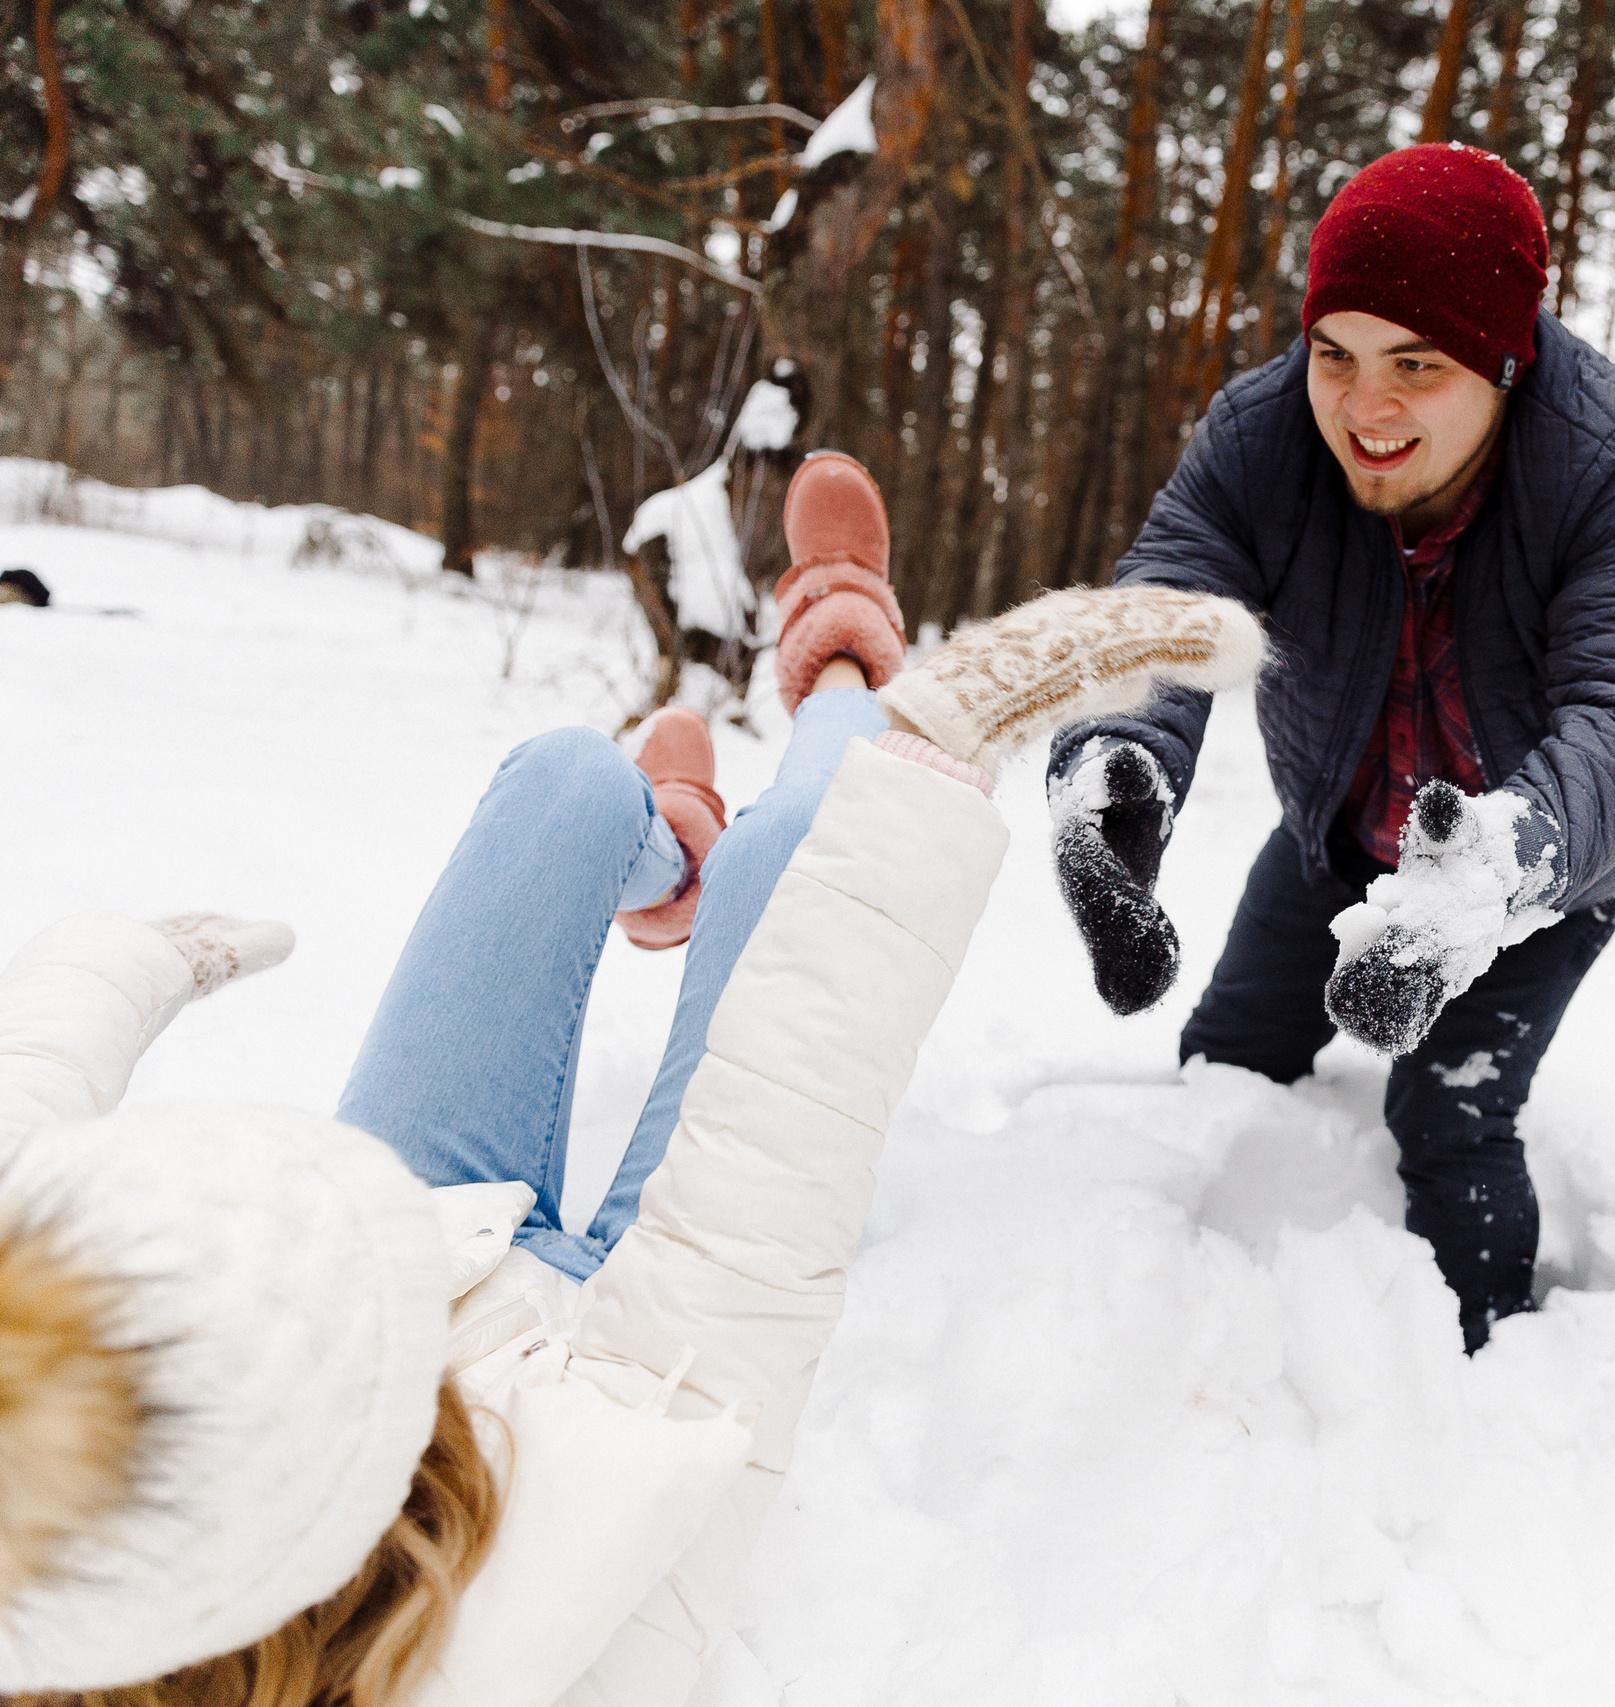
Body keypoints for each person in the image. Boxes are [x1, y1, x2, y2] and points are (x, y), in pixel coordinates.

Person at [0, 449, 1263, 1706]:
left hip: (406, 1245)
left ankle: (667, 847)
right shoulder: (544, 1616)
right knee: (801, 857)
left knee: (565, 781)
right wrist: (937, 744)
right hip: (604, 1335)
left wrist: (103, 978)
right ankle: (841, 644)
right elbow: (779, 1138)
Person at [1048, 144, 1615, 1353]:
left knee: (1446, 1112)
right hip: (1340, 832)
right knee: (1228, 1060)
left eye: (1418, 364)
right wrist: (1120, 760)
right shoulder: (1260, 442)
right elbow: (1167, 605)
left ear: (1504, 364)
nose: (1365, 405)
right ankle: (1184, 1347)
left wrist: (1487, 878)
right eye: (1336, 355)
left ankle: (1485, 1366)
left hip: (1535, 872)